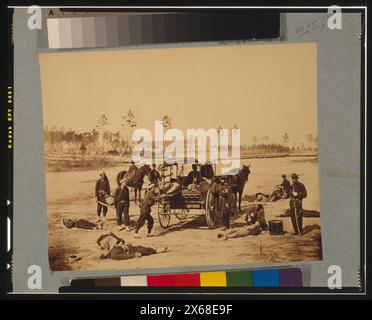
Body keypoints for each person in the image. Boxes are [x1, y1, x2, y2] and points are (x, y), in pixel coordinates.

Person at [97, 232, 168, 260]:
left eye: (104, 251)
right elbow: (124, 256)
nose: (105, 251)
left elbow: (110, 233)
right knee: (141, 250)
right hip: (130, 250)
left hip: (127, 246)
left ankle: (152, 248)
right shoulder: (113, 255)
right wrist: (133, 255)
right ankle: (156, 251)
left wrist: (120, 243)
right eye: (104, 252)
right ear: (106, 256)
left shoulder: (112, 248)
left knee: (139, 247)